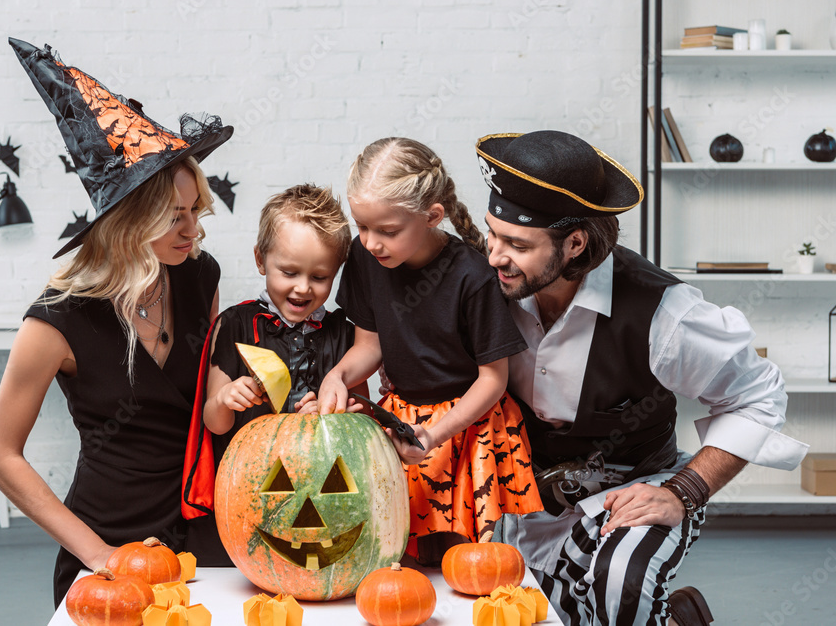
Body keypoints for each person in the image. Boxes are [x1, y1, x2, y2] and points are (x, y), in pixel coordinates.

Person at [476, 130, 809, 626]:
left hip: (635, 487)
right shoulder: (490, 288)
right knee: (534, 614)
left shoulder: (662, 312)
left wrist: (684, 491)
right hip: (524, 499)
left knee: (620, 587)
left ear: (574, 244)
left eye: (516, 244)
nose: (494, 257)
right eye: (491, 233)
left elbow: (757, 397)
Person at [0, 38, 233, 606]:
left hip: (207, 536)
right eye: (175, 217)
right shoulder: (57, 318)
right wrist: (98, 555)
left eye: (196, 210)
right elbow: (1, 454)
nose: (193, 229)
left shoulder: (201, 276)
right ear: (128, 221)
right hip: (109, 546)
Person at [316, 137, 543, 564]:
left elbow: (493, 379)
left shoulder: (474, 278)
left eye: (387, 231)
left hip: (468, 426)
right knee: (400, 555)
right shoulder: (366, 260)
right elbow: (369, 346)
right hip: (403, 422)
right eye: (361, 226)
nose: (370, 242)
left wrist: (436, 434)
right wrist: (338, 376)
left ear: (432, 216)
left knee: (469, 563)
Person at [181, 185, 365, 562]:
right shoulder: (234, 323)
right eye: (289, 272)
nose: (303, 287)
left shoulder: (342, 333)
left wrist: (333, 417)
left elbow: (359, 421)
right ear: (261, 260)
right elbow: (213, 423)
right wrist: (225, 398)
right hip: (246, 493)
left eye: (320, 277)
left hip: (320, 503)